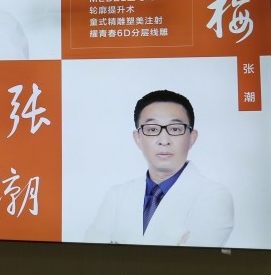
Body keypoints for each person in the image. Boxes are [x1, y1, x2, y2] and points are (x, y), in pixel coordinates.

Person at [85, 89, 234, 247]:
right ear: (138, 139)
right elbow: (91, 252)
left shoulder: (214, 197)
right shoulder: (116, 196)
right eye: (152, 129)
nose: (164, 140)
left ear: (192, 138)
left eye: (175, 129)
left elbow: (192, 260)